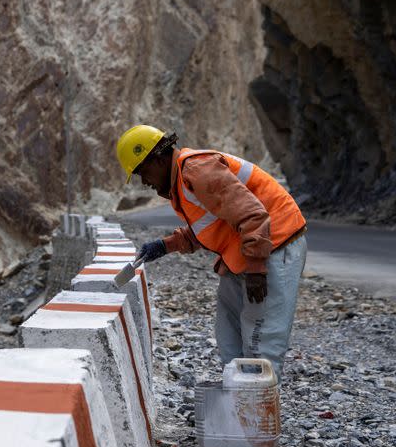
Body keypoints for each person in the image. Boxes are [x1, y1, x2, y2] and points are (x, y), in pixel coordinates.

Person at [116, 124, 307, 382]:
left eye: (142, 171)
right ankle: (239, 401)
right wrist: (165, 246)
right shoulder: (183, 182)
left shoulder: (198, 171)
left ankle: (256, 417)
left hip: (273, 246)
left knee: (261, 344)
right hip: (246, 253)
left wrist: (256, 270)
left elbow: (252, 215)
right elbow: (210, 226)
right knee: (229, 336)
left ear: (158, 159)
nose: (144, 182)